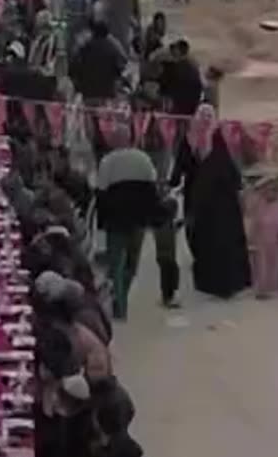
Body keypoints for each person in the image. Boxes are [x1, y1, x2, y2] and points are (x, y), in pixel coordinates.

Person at [171, 104, 251, 299]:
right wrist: (172, 183)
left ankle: (229, 285)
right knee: (199, 239)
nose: (206, 119)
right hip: (198, 199)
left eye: (210, 115)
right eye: (203, 115)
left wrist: (238, 185)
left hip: (222, 200)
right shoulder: (189, 140)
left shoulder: (218, 137)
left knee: (225, 241)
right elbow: (181, 165)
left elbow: (228, 167)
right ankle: (208, 282)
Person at [95, 124, 159, 320]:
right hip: (137, 219)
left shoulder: (107, 161)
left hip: (116, 220)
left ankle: (119, 304)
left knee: (116, 263)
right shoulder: (144, 159)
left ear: (115, 140)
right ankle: (122, 296)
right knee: (132, 263)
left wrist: (101, 222)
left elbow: (101, 194)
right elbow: (152, 191)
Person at [71, 21, 126, 105]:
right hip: (107, 91)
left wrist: (78, 85)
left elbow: (75, 66)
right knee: (104, 116)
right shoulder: (112, 48)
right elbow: (119, 68)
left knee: (89, 114)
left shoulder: (85, 48)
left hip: (88, 91)